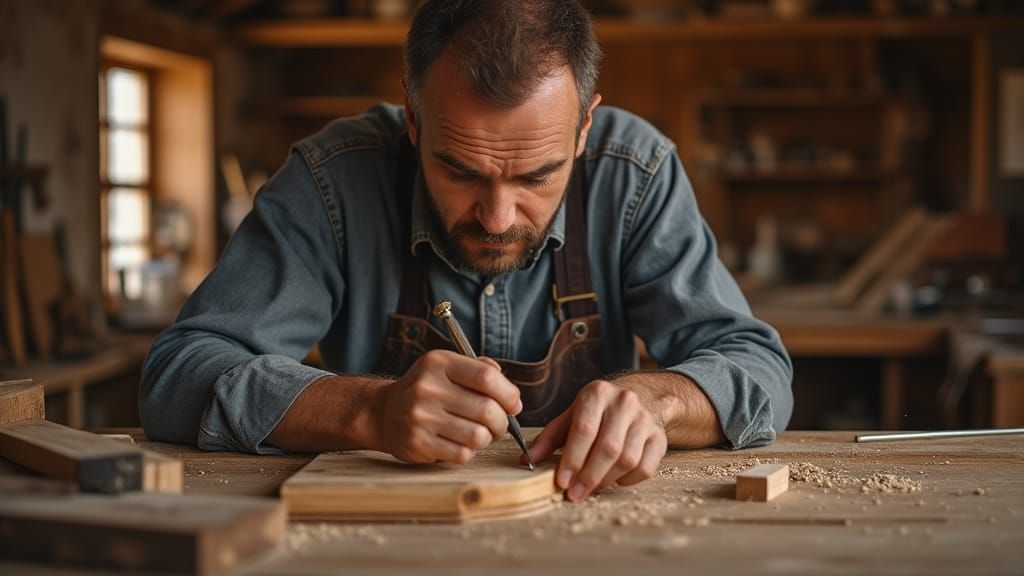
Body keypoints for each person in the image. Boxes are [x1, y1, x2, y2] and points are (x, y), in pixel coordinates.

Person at [141, 0, 793, 503]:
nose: (498, 217)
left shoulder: (635, 173)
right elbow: (176, 374)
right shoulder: (335, 181)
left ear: (584, 127)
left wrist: (660, 401)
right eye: (460, 171)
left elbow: (758, 367)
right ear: (414, 120)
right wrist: (369, 411)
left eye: (537, 176)